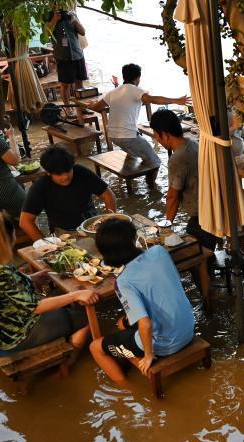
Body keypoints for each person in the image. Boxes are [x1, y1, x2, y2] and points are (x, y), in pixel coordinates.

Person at [0, 210, 97, 356]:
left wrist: (32, 278)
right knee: (88, 317)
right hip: (12, 337)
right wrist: (75, 295)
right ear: (8, 237)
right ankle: (69, 361)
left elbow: (0, 289)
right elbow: (36, 307)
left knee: (63, 301)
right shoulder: (1, 272)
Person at [89, 219, 195, 386]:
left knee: (95, 347)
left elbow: (145, 324)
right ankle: (127, 352)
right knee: (122, 323)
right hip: (188, 327)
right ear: (133, 238)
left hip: (165, 344)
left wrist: (148, 356)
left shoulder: (123, 281)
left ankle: (127, 390)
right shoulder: (159, 251)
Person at [87, 63, 189, 178]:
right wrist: (176, 100)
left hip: (113, 136)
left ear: (124, 76)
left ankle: (133, 179)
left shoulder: (113, 92)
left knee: (134, 154)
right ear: (137, 78)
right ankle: (151, 188)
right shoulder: (136, 90)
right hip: (128, 137)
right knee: (155, 162)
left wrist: (90, 105)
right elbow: (152, 99)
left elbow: (97, 107)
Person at [149, 108, 221, 252]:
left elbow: (172, 197)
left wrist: (166, 225)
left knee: (194, 256)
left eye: (156, 136)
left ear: (165, 135)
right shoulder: (193, 143)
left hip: (203, 217)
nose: (157, 140)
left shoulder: (178, 158)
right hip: (215, 208)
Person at [20, 145, 117, 241]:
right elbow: (25, 221)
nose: (65, 177)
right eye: (58, 174)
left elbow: (108, 195)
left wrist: (109, 222)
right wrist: (44, 244)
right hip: (63, 233)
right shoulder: (41, 186)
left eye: (68, 170)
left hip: (91, 225)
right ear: (48, 172)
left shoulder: (82, 172)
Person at [46, 7, 87, 109]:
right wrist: (54, 19)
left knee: (80, 82)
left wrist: (75, 20)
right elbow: (46, 34)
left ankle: (82, 108)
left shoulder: (71, 14)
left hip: (78, 54)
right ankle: (68, 108)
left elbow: (83, 32)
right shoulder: (50, 15)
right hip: (63, 56)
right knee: (65, 85)